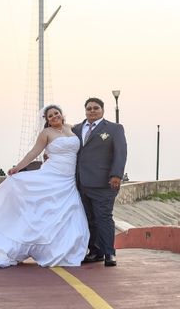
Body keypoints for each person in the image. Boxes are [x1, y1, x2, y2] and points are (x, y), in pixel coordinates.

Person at [0, 104, 89, 272]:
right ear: (47, 120)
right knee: (41, 211)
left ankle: (63, 251)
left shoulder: (73, 128)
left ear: (61, 114)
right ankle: (21, 245)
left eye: (56, 113)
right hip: (52, 176)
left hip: (68, 180)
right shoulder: (46, 134)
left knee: (67, 214)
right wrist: (18, 168)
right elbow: (33, 153)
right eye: (50, 116)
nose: (54, 117)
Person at [73, 97, 127, 267]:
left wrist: (116, 175)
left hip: (105, 183)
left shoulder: (114, 129)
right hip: (81, 183)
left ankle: (110, 253)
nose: (92, 111)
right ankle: (95, 251)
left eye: (96, 108)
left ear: (102, 110)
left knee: (104, 218)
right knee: (89, 219)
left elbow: (120, 153)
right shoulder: (76, 129)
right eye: (89, 108)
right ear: (85, 110)